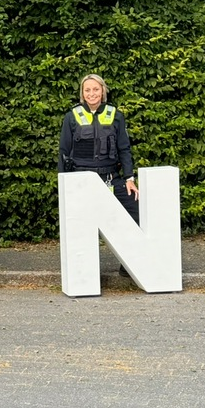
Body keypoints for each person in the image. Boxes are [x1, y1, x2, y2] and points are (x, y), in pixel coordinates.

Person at [59, 73, 139, 275]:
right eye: (88, 90)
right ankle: (83, 272)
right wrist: (64, 184)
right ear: (82, 93)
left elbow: (124, 149)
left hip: (111, 178)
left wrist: (130, 178)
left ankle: (129, 265)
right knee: (81, 225)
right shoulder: (72, 116)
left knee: (137, 210)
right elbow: (64, 152)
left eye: (96, 89)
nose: (92, 93)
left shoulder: (116, 115)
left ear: (103, 91)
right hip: (82, 180)